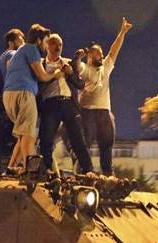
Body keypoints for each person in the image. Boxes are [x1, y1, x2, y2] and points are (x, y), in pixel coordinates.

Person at [3, 24, 63, 173]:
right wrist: (56, 74)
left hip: (9, 95)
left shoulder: (20, 51)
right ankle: (30, 171)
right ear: (38, 40)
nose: (46, 45)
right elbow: (42, 76)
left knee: (23, 135)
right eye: (46, 41)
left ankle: (11, 167)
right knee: (29, 135)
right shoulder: (31, 49)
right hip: (23, 93)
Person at [78, 17, 132, 176]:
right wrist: (77, 58)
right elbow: (75, 66)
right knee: (86, 142)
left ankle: (107, 173)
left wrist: (122, 32)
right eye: (98, 55)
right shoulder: (84, 69)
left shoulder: (106, 67)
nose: (101, 57)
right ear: (90, 56)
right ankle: (84, 171)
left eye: (102, 54)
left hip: (104, 111)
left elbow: (114, 50)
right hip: (87, 111)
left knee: (107, 142)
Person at [37, 33, 94, 173]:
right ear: (47, 46)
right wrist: (53, 76)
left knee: (78, 139)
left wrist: (70, 73)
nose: (58, 47)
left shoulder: (68, 63)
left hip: (68, 103)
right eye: (54, 43)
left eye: (60, 44)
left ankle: (89, 171)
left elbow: (80, 84)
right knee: (46, 138)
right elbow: (38, 87)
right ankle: (48, 170)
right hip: (50, 103)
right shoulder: (40, 64)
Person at [0, 28, 24, 116]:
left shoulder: (1, 58)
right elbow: (13, 75)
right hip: (9, 102)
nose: (23, 44)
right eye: (20, 41)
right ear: (11, 43)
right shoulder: (12, 54)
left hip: (0, 104)